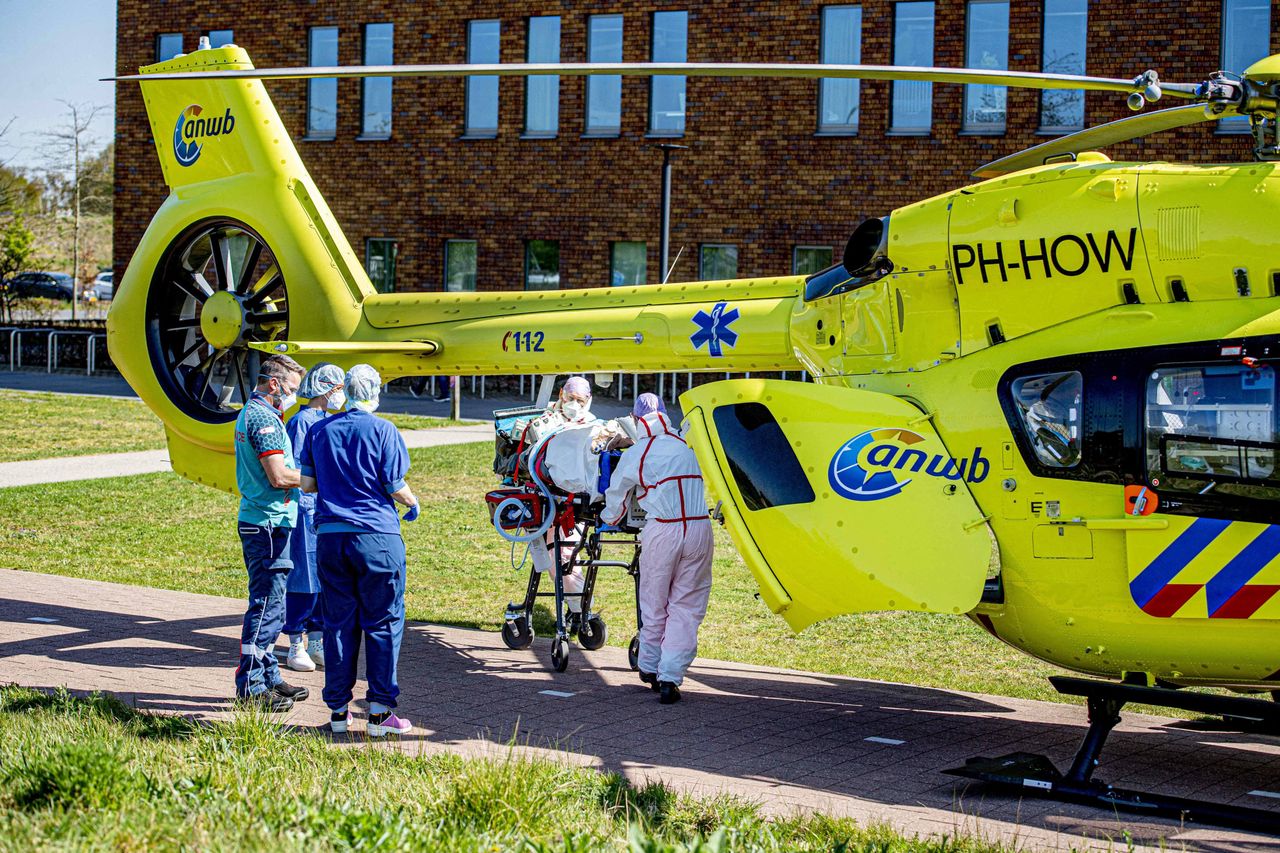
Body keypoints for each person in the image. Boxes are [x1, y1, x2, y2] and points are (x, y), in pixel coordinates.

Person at [299, 364, 419, 736]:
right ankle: (381, 713)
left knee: (338, 624)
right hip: (376, 538)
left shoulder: (318, 430)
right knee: (383, 622)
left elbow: (306, 484)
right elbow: (394, 483)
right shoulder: (384, 430)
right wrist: (413, 504)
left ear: (345, 391)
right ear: (374, 392)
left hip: (331, 538)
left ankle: (338, 711)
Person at [602, 393, 713, 705]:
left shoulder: (638, 452)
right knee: (687, 605)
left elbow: (616, 495)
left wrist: (610, 518)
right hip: (699, 527)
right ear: (665, 414)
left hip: (662, 528)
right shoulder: (688, 443)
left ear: (636, 420)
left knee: (654, 600)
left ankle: (649, 666)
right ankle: (670, 676)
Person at [233, 354, 311, 712]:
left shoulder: (264, 414)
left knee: (276, 605)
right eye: (292, 389)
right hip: (266, 522)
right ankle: (251, 686)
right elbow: (278, 476)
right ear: (274, 384)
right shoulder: (263, 417)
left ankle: (268, 676)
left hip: (271, 520)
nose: (294, 396)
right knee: (266, 605)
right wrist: (320, 478)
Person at [281, 362, 346, 672]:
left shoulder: (325, 420)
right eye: (339, 389)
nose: (341, 395)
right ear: (327, 389)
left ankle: (317, 639)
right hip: (305, 510)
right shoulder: (301, 422)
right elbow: (295, 471)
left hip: (323, 510)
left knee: (322, 578)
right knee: (302, 578)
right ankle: (295, 642)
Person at [527, 376, 597, 618]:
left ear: (588, 401)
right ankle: (577, 607)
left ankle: (579, 608)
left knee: (566, 553)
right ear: (560, 395)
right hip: (547, 496)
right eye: (570, 398)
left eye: (580, 400)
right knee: (550, 552)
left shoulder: (592, 425)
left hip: (575, 500)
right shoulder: (545, 420)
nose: (574, 405)